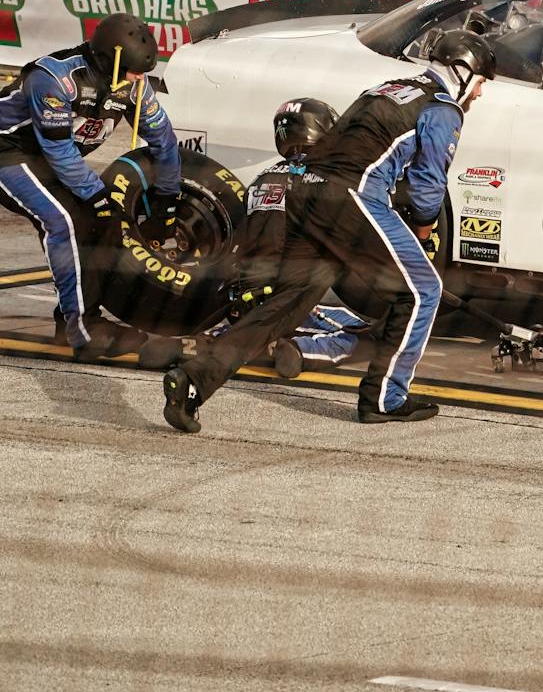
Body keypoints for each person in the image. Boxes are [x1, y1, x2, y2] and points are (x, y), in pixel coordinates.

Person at [160, 31, 496, 433]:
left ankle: (193, 380)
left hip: (304, 191)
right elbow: (427, 187)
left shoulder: (387, 88)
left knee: (287, 303)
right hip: (351, 196)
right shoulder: (441, 108)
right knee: (423, 290)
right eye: (480, 84)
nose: (478, 96)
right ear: (462, 72)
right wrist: (421, 233)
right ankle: (385, 398)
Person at [0, 13, 179, 360]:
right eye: (132, 71)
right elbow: (59, 150)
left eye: (144, 72)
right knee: (65, 220)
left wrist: (166, 204)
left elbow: (165, 143)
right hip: (2, 151)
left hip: (50, 161)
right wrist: (97, 195)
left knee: (104, 220)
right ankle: (83, 329)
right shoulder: (55, 79)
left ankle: (68, 319)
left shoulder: (135, 85)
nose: (140, 79)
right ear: (107, 62)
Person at [138, 97, 370, 373]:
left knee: (249, 326)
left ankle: (195, 345)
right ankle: (299, 351)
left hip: (240, 299)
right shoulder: (326, 179)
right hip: (285, 299)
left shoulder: (262, 178)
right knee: (368, 336)